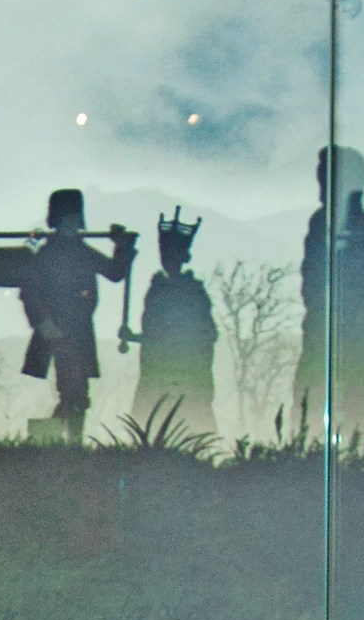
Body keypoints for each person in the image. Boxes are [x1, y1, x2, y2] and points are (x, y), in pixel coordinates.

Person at [292, 145, 364, 442]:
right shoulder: (321, 222)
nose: (320, 185)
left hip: (355, 346)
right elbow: (311, 279)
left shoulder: (362, 229)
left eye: (325, 177)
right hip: (324, 337)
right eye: (320, 177)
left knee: (360, 413)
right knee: (310, 407)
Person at [21, 187, 133, 442]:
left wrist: (123, 247)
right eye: (66, 219)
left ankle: (57, 441)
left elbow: (115, 272)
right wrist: (45, 323)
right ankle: (60, 442)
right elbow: (30, 292)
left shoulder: (81, 252)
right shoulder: (48, 255)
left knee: (76, 393)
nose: (71, 224)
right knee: (74, 393)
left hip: (79, 330)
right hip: (58, 331)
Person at [128, 208, 218, 440]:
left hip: (184, 373)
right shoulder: (158, 290)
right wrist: (135, 337)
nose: (168, 260)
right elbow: (155, 335)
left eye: (171, 255)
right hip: (160, 373)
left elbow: (207, 333)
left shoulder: (191, 292)